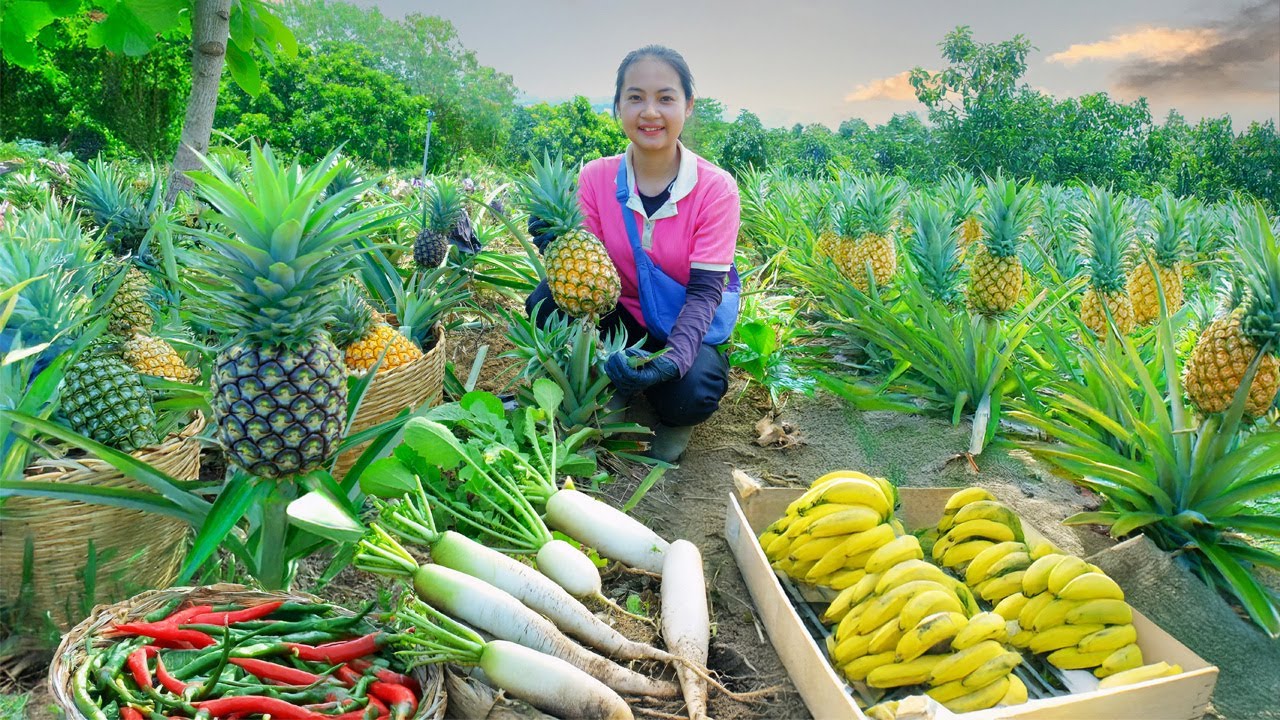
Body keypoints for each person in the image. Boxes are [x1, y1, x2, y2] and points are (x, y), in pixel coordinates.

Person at [525, 44, 741, 464]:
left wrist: (674, 359)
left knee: (691, 392)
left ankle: (670, 414)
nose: (650, 112)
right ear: (618, 107)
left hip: (685, 321)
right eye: (636, 97)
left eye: (665, 98)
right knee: (544, 304)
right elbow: (584, 272)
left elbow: (703, 295)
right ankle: (604, 384)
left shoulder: (716, 189)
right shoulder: (596, 176)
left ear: (688, 106)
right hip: (617, 312)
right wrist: (555, 245)